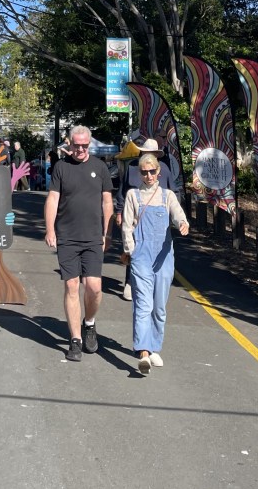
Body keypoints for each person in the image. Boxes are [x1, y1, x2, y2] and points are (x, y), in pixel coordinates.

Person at [44, 125, 113, 362]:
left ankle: (89, 323)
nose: (81, 149)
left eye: (85, 145)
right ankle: (75, 340)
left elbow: (107, 201)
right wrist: (50, 229)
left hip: (94, 237)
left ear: (89, 144)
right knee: (72, 286)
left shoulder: (100, 167)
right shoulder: (61, 168)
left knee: (94, 287)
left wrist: (108, 232)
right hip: (68, 237)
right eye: (77, 145)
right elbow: (53, 199)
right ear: (69, 144)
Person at [120, 152, 188, 375]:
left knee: (159, 308)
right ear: (139, 173)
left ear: (159, 172)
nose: (148, 175)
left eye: (152, 171)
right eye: (144, 172)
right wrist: (131, 250)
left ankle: (155, 346)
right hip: (141, 256)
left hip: (164, 257)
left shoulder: (168, 196)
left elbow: (177, 213)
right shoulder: (132, 196)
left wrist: (182, 223)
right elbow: (127, 226)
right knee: (143, 306)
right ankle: (144, 352)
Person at [115, 138, 172, 300]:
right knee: (134, 247)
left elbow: (174, 193)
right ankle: (130, 282)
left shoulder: (165, 170)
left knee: (156, 248)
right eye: (146, 153)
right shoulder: (132, 168)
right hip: (134, 215)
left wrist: (174, 216)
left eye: (152, 153)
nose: (148, 156)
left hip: (158, 218)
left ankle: (152, 282)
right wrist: (119, 211)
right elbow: (122, 190)